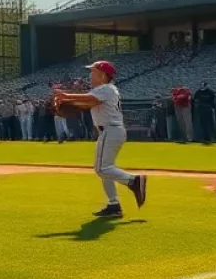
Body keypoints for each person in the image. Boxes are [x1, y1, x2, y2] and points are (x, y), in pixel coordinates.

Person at [54, 60, 147, 219]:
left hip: (110, 131)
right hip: (111, 131)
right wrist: (69, 102)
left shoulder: (106, 89)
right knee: (106, 169)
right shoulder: (104, 90)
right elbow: (88, 104)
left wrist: (66, 96)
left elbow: (89, 100)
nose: (90, 75)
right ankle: (113, 205)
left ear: (103, 75)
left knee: (101, 169)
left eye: (93, 72)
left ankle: (134, 181)